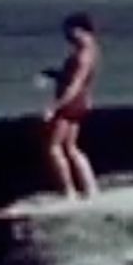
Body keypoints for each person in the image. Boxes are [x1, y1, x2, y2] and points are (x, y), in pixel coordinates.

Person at [42, 12, 100, 199]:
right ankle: (91, 188)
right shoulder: (92, 49)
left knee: (54, 148)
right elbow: (76, 80)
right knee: (71, 147)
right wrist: (54, 74)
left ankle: (69, 192)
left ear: (80, 30)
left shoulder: (83, 55)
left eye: (69, 31)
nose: (66, 36)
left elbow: (75, 84)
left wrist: (54, 107)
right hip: (80, 101)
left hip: (71, 102)